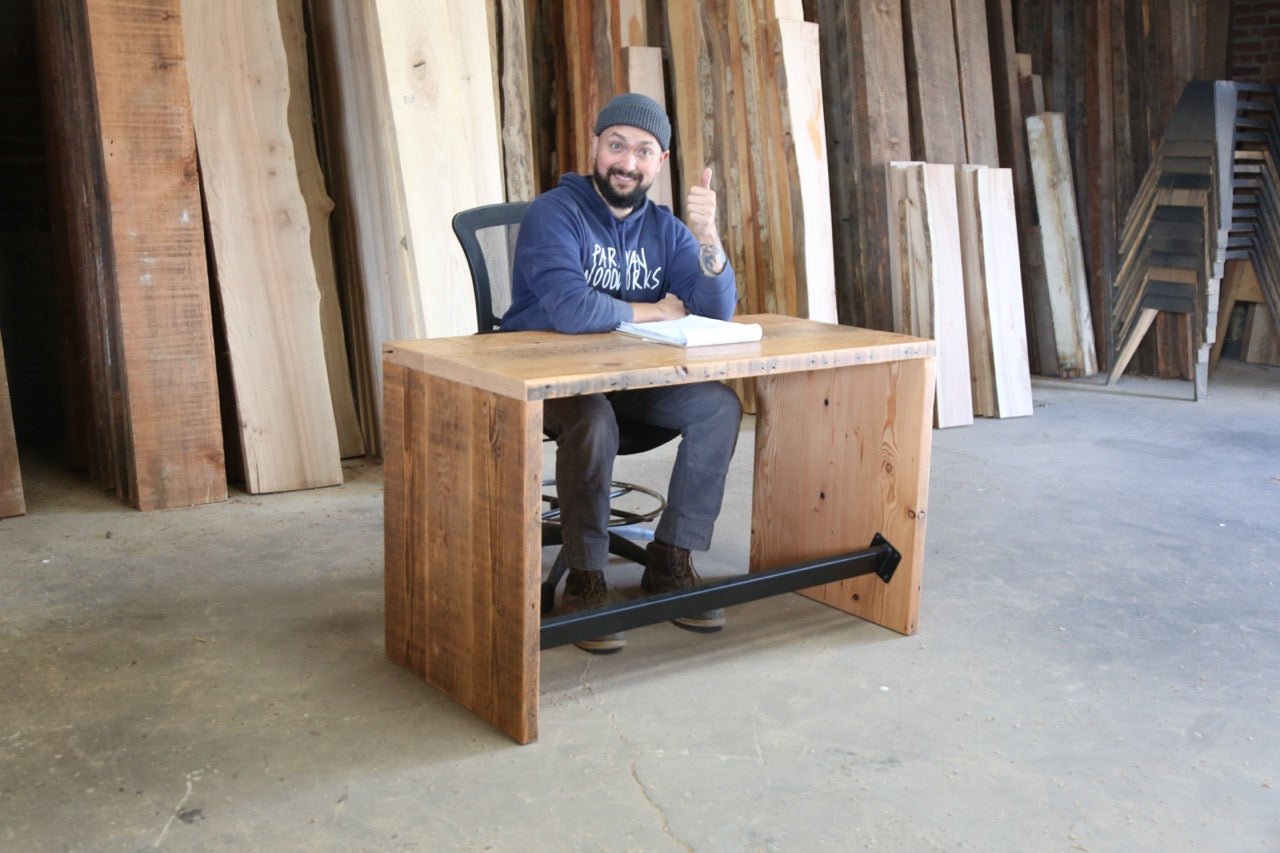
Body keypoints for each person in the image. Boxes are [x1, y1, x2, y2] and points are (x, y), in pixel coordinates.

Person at [501, 92, 743, 654]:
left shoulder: (665, 229)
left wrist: (709, 240)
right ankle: (587, 577)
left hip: (628, 379)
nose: (626, 162)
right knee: (592, 419)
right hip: (549, 379)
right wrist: (655, 310)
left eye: (643, 151)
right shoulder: (553, 213)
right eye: (616, 145)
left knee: (718, 406)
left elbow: (716, 311)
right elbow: (573, 311)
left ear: (660, 163)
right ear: (595, 146)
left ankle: (670, 556)